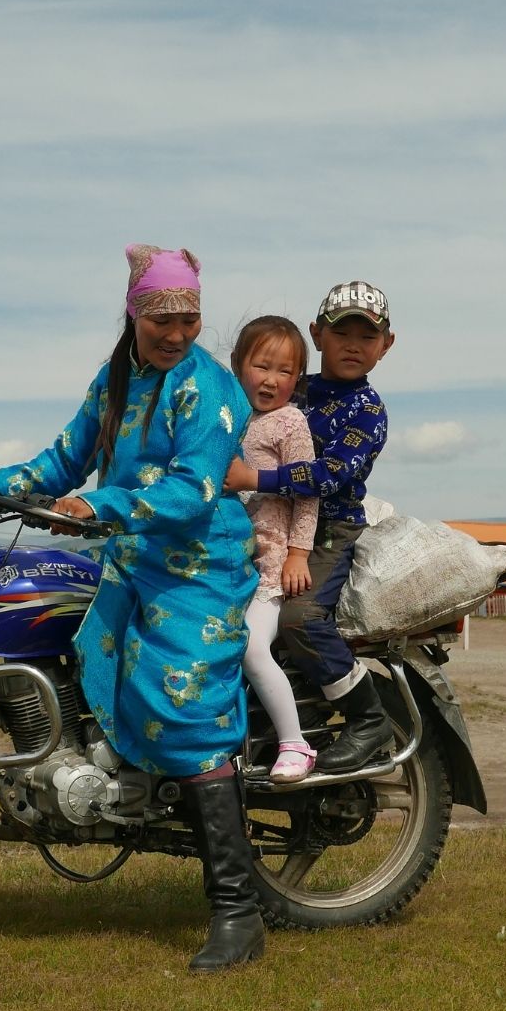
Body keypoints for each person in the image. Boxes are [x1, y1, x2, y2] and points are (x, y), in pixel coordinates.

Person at [0, 244, 264, 972]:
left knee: (184, 706)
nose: (176, 334)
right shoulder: (116, 380)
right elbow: (59, 462)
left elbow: (194, 487)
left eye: (189, 319)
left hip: (197, 566)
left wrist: (99, 505)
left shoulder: (211, 388)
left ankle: (238, 909)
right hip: (128, 559)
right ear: (133, 314)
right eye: (162, 320)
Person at [226, 280, 393, 773]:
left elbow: (329, 474)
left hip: (329, 530)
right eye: (342, 334)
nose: (353, 346)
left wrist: (255, 479)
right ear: (318, 334)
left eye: (367, 336)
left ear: (386, 345)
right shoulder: (297, 388)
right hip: (263, 525)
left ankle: (368, 718)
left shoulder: (367, 410)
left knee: (301, 617)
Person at [229, 315, 319, 784]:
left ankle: (295, 742)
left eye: (285, 371)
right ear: (237, 364)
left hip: (268, 565)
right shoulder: (229, 417)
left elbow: (307, 491)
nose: (271, 380)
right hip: (226, 561)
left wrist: (298, 554)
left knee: (250, 648)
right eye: (262, 366)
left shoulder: (290, 422)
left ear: (297, 378)